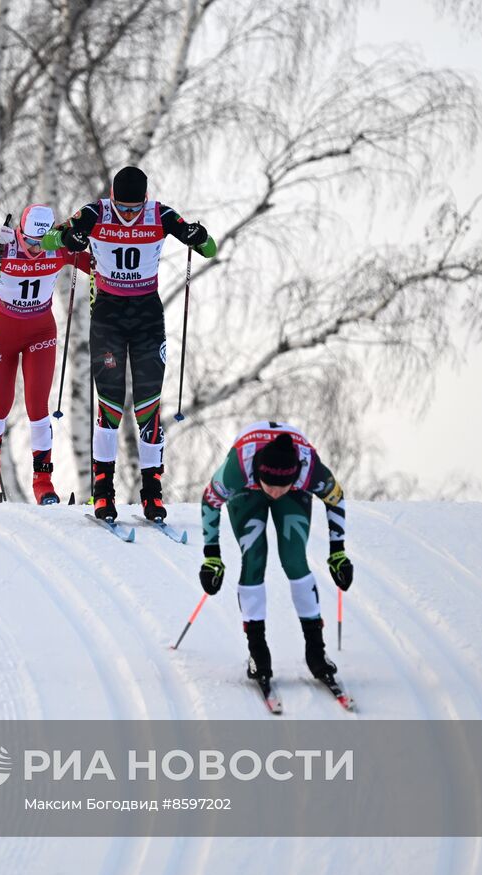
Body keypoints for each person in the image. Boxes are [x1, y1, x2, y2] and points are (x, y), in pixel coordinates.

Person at [40, 165, 217, 522]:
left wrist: (198, 236)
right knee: (110, 404)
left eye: (135, 209)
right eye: (123, 207)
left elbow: (209, 249)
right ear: (112, 197)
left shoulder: (160, 214)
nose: (129, 215)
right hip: (108, 317)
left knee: (149, 406)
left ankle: (152, 493)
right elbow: (46, 240)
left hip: (147, 318)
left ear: (146, 201)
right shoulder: (94, 212)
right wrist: (68, 239)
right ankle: (103, 492)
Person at [195, 421, 355, 686]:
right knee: (254, 556)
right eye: (270, 485)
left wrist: (338, 552)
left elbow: (335, 498)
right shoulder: (239, 467)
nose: (274, 492)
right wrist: (212, 557)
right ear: (258, 471)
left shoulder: (309, 469)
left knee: (295, 559)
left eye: (282, 486)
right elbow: (210, 500)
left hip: (295, 491)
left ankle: (316, 651)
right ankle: (258, 652)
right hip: (247, 491)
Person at [0, 204, 92, 504]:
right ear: (20, 231)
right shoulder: (7, 247)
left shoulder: (56, 248)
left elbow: (95, 263)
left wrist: (83, 240)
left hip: (40, 333)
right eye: (29, 240)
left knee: (37, 406)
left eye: (41, 241)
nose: (35, 247)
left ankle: (43, 480)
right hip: (4, 335)